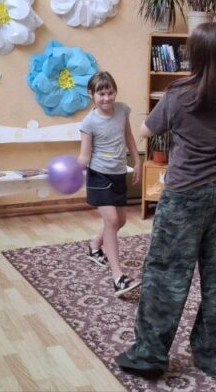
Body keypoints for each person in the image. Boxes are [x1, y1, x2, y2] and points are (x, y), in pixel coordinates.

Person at [115, 22, 216, 380]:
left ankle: (149, 355)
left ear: (195, 55)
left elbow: (146, 130)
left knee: (166, 274)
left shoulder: (178, 95)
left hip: (183, 196)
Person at [76, 71, 142, 297]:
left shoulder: (122, 110)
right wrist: (71, 171)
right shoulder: (89, 123)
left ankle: (95, 246)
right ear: (91, 95)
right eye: (101, 94)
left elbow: (128, 136)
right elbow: (84, 155)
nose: (106, 98)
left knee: (120, 221)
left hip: (118, 173)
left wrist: (137, 161)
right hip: (98, 176)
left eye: (110, 92)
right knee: (112, 221)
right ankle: (118, 277)